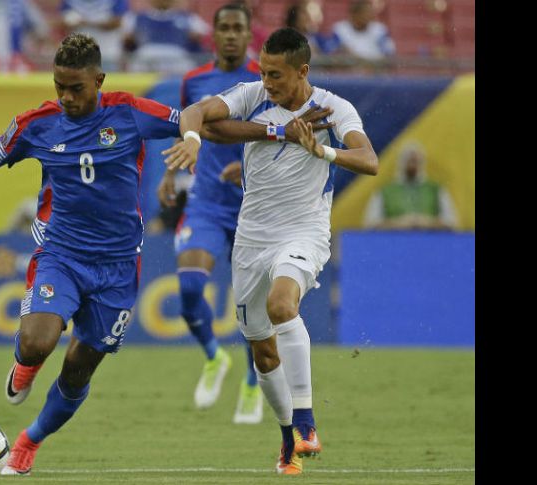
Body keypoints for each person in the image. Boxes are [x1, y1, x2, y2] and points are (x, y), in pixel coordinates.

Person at [0, 33, 239, 476]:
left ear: (99, 80)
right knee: (38, 342)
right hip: (61, 253)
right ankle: (26, 363)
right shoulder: (37, 123)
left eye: (76, 88)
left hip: (117, 267)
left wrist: (272, 132)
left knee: (77, 371)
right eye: (59, 87)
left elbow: (202, 121)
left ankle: (29, 441)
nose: (67, 97)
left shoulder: (129, 112)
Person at [163, 27, 379, 475]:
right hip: (252, 239)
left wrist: (322, 150)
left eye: (275, 74)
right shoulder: (252, 94)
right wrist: (198, 139)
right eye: (263, 72)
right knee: (262, 352)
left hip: (304, 233)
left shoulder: (333, 108)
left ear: (302, 71)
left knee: (283, 305)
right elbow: (199, 115)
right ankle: (287, 440)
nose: (267, 82)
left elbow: (369, 160)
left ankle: (306, 423)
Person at [157, 1, 264, 424]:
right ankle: (214, 356)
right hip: (205, 201)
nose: (232, 35)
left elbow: (279, 134)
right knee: (188, 288)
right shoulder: (194, 80)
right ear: (214, 34)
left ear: (249, 34)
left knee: (253, 307)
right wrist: (170, 172)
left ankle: (254, 383)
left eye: (239, 28)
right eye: (226, 28)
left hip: (253, 207)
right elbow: (186, 126)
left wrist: (250, 168)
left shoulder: (264, 79)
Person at [363, 141, 458, 230]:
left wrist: (426, 222)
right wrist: (399, 223)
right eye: (409, 161)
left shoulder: (435, 189)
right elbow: (371, 224)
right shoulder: (385, 191)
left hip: (430, 239)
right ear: (401, 162)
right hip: (394, 240)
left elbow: (451, 222)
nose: (412, 165)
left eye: (415, 161)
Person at [121, 0, 211, 75]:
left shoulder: (189, 18)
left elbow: (207, 36)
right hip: (146, 57)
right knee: (136, 64)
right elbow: (125, 40)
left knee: (188, 68)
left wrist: (196, 37)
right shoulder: (135, 18)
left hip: (177, 58)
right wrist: (130, 39)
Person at [59, 0, 129, 72]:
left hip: (106, 55)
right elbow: (61, 23)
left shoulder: (115, 1)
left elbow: (117, 22)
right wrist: (71, 23)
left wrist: (87, 23)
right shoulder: (70, 1)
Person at [331, 0, 395, 62]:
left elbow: (389, 54)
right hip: (349, 68)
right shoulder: (340, 29)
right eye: (365, 13)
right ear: (354, 14)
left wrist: (362, 61)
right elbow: (333, 54)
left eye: (370, 13)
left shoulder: (379, 29)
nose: (370, 16)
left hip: (376, 67)